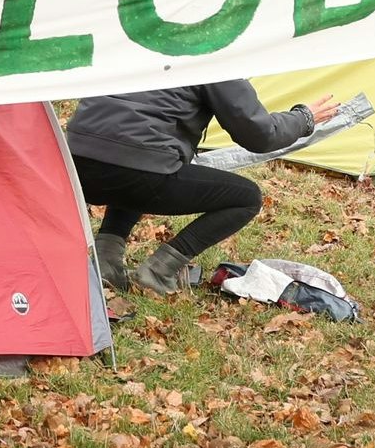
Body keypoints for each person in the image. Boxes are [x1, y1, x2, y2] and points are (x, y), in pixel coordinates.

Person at [64, 82, 344, 296]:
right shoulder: (213, 54)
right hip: (140, 170)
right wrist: (304, 119)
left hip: (76, 162)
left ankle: (107, 262)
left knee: (139, 159)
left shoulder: (141, 40)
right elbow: (259, 135)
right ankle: (158, 272)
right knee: (246, 197)